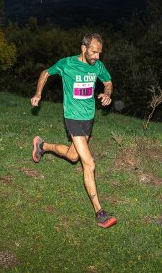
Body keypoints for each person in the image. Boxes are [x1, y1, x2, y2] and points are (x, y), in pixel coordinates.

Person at [30, 33, 117, 229]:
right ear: (83, 48)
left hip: (88, 118)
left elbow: (108, 83)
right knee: (89, 163)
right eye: (93, 52)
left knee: (72, 156)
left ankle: (42, 145)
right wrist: (38, 94)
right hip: (72, 117)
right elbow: (45, 73)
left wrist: (107, 94)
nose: (96, 56)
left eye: (99, 53)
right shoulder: (66, 64)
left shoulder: (98, 66)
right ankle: (99, 212)